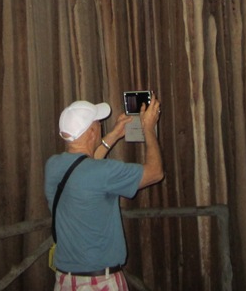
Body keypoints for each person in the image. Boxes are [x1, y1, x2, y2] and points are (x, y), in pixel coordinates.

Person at [44, 96, 164, 290]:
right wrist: (149, 128)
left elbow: (83, 166)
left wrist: (115, 135)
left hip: (65, 281)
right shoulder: (103, 172)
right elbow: (155, 172)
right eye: (98, 123)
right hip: (99, 283)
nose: (101, 125)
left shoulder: (53, 166)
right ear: (92, 133)